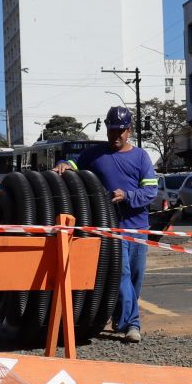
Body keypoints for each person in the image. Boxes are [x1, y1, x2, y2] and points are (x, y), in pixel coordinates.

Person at [76, 106, 157, 342]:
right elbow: (74, 166)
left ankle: (120, 318)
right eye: (112, 131)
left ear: (129, 131)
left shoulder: (141, 156)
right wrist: (63, 164)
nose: (116, 136)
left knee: (135, 278)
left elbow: (151, 190)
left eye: (121, 131)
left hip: (138, 227)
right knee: (121, 274)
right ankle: (133, 324)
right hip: (111, 227)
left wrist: (128, 196)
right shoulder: (94, 155)